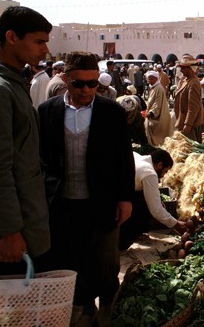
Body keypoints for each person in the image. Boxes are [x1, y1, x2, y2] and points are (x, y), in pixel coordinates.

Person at [38, 51, 135, 326]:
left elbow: (123, 158)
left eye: (93, 84)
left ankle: (107, 306)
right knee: (70, 258)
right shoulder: (49, 111)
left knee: (105, 261)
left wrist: (125, 198)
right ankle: (82, 308)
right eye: (80, 83)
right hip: (63, 202)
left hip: (102, 200)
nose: (87, 90)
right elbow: (42, 158)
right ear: (66, 80)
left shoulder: (111, 112)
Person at [0, 6, 52, 275]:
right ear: (11, 37)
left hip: (26, 222)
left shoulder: (12, 82)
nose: (45, 49)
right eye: (38, 41)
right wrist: (8, 231)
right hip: (9, 238)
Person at [119, 149, 180, 250]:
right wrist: (176, 224)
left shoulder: (137, 156)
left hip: (119, 191)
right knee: (146, 208)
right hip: (119, 198)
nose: (164, 175)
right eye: (165, 171)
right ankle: (123, 240)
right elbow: (155, 210)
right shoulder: (149, 173)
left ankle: (135, 232)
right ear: (159, 165)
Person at [174, 55, 204, 142]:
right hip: (183, 120)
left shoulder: (194, 83)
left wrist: (188, 124)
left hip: (191, 124)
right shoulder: (187, 80)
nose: (181, 70)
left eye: (183, 68)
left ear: (190, 68)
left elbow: (193, 106)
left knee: (190, 149)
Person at [145, 70, 173, 146]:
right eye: (149, 79)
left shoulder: (159, 88)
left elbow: (158, 103)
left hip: (159, 114)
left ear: (156, 79)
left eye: (152, 79)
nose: (150, 81)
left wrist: (151, 112)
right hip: (153, 112)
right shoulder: (153, 88)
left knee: (159, 133)